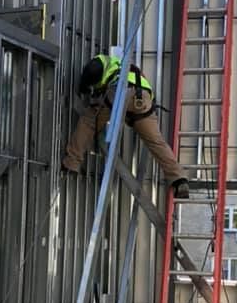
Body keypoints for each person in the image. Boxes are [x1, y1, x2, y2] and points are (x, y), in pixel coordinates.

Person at [62, 53, 190, 198]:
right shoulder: (126, 67)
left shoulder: (100, 65)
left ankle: (71, 163)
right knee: (156, 142)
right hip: (144, 100)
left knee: (88, 122)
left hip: (120, 92)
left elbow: (93, 76)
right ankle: (179, 179)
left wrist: (85, 88)